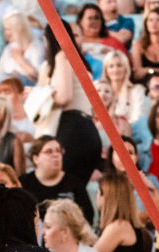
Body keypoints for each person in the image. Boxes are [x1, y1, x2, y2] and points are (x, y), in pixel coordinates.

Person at [39, 23, 102, 183]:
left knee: (64, 191)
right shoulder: (79, 59)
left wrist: (36, 98)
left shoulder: (62, 55)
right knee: (75, 192)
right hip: (88, 130)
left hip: (73, 131)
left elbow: (64, 96)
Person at [20, 136, 95, 223]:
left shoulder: (74, 184)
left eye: (58, 151)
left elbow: (87, 217)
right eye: (49, 152)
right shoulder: (24, 182)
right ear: (36, 158)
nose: (56, 155)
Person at [95, 172, 145, 252]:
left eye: (98, 192)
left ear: (105, 196)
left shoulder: (119, 227)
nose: (96, 196)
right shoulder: (122, 224)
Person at [0, 12, 42, 86]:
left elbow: (39, 76)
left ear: (18, 29)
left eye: (8, 29)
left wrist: (20, 60)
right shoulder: (9, 48)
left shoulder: (36, 46)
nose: (6, 33)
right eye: (5, 30)